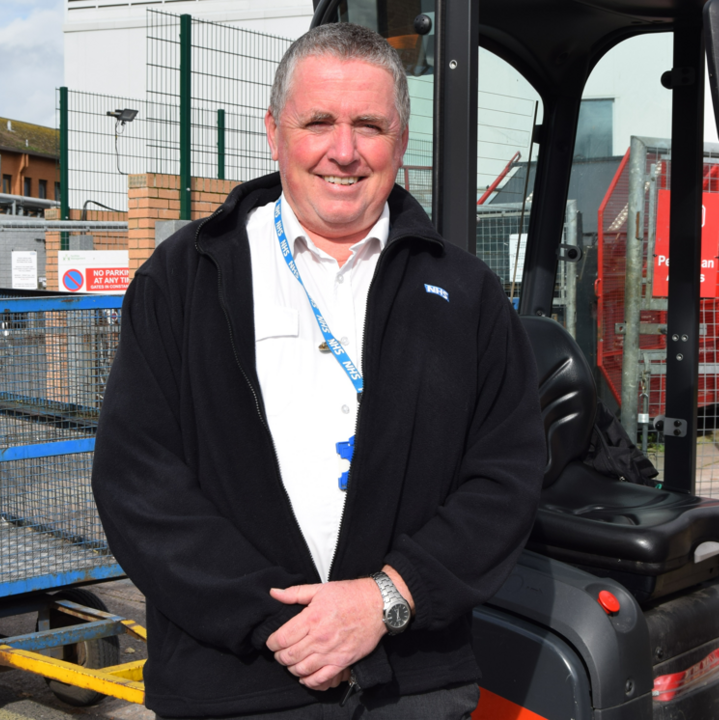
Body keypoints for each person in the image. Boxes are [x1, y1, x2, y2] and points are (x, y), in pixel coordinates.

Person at [92, 22, 543, 719]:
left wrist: (387, 598)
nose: (344, 150)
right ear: (275, 133)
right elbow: (139, 480)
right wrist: (276, 622)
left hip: (412, 684)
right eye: (319, 122)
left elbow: (505, 477)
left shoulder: (465, 294)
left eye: (369, 125)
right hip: (234, 687)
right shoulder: (185, 280)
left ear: (400, 138)